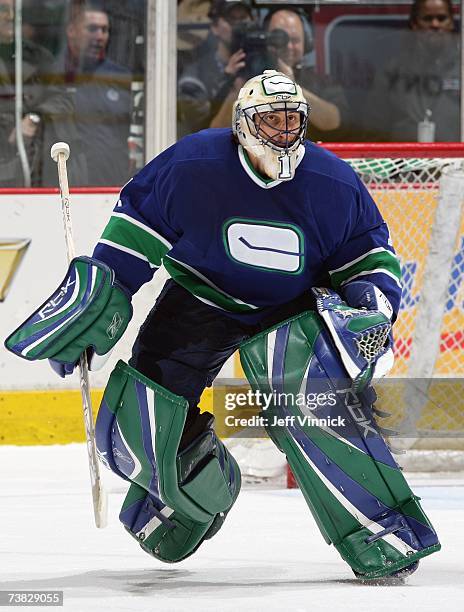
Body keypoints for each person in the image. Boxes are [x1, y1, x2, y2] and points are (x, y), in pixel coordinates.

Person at [6, 71, 440, 580]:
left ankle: (381, 530)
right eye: (270, 119)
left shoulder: (332, 183)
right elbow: (132, 235)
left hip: (292, 307)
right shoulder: (192, 165)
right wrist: (99, 302)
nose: (282, 131)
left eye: (291, 119)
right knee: (140, 417)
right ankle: (193, 495)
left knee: (317, 409)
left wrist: (372, 306)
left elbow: (369, 259)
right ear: (241, 122)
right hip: (200, 297)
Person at [210, 8, 347, 142]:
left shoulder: (318, 80)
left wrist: (292, 87)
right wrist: (238, 90)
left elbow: (334, 122)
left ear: (307, 43)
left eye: (294, 40)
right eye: (277, 39)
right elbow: (213, 134)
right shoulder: (238, 77)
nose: (287, 46)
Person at [42, 1, 132, 186]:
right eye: (92, 29)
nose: (100, 36)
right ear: (72, 31)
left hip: (113, 186)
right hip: (64, 186)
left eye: (104, 30)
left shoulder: (121, 77)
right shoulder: (50, 76)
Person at [0, 0, 73, 186]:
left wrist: (34, 117)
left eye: (14, 10)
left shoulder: (38, 57)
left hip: (35, 171)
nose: (11, 16)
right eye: (2, 9)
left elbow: (63, 100)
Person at [367, 0, 459, 141]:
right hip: (401, 162)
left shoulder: (462, 69)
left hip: (457, 161)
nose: (435, 25)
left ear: (452, 23)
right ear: (414, 24)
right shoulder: (393, 72)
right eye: (427, 19)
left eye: (441, 18)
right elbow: (373, 126)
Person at [177, 0, 254, 137]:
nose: (239, 26)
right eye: (231, 19)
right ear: (214, 26)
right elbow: (199, 128)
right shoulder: (194, 79)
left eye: (243, 19)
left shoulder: (262, 62)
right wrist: (225, 83)